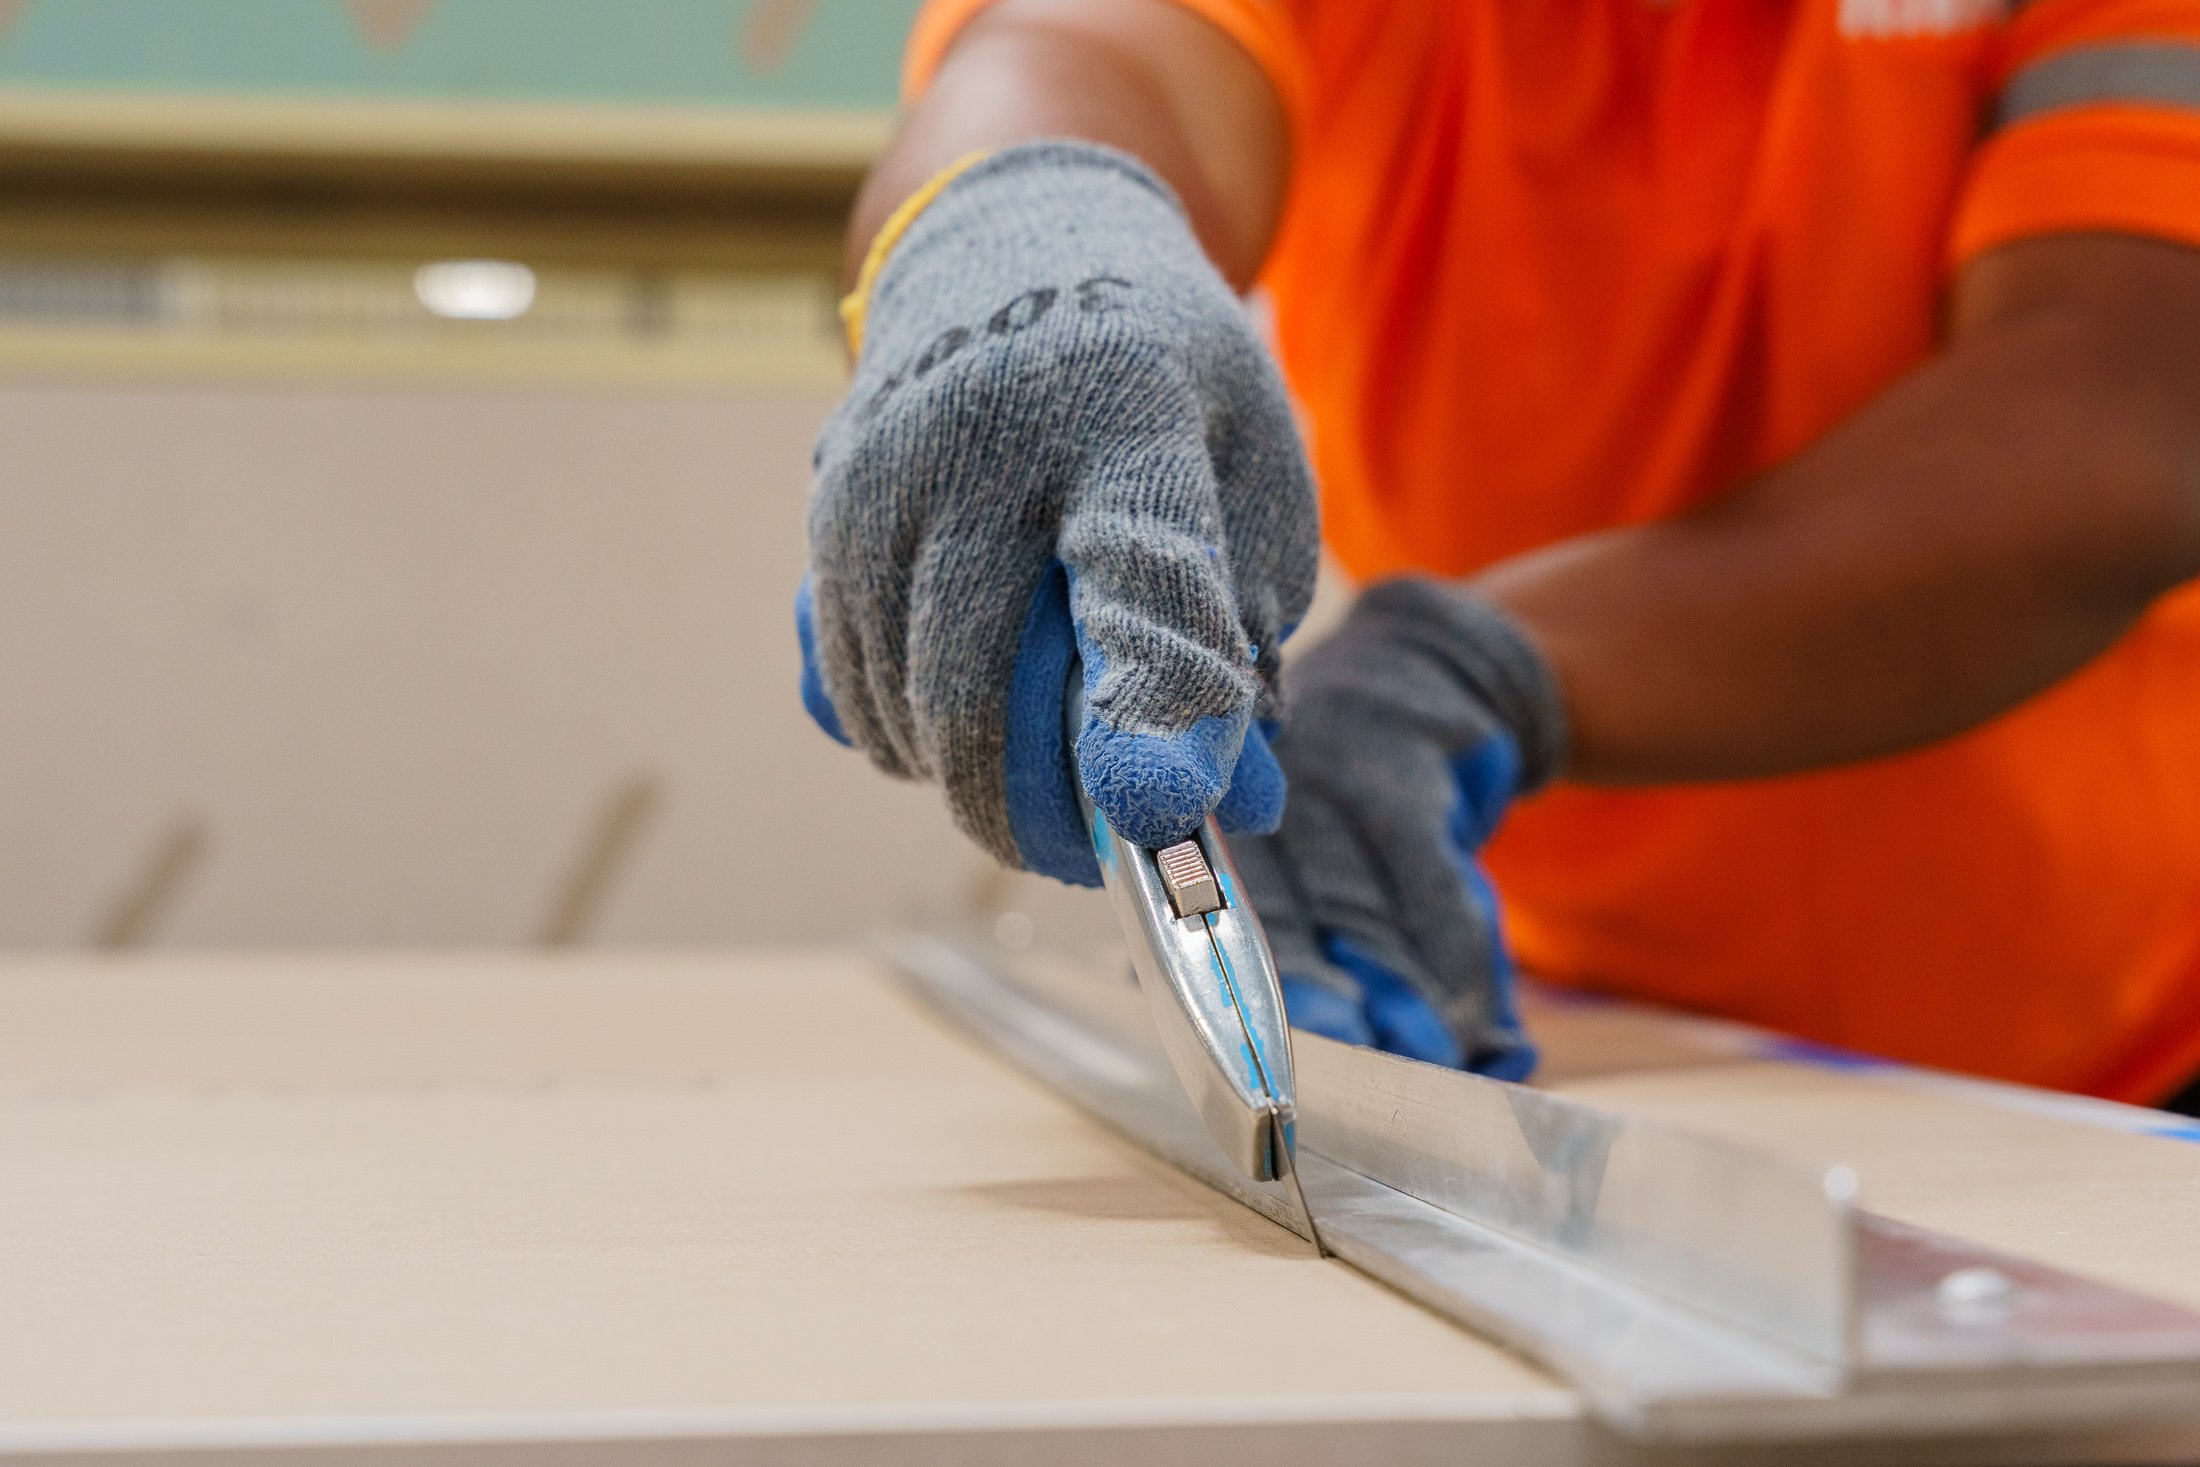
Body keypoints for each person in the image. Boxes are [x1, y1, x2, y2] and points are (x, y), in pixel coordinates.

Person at [798, 0, 2200, 1109]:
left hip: (2122, 1053)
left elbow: (2128, 399)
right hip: (1580, 1024)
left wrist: (1467, 667)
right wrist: (1019, 227)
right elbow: (1082, 43)